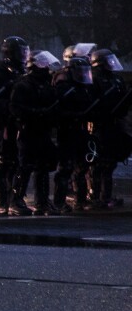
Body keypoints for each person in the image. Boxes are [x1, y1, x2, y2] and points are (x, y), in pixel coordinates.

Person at [9, 51, 61, 216]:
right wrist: (37, 113)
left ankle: (42, 201)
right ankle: (16, 200)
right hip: (28, 130)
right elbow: (15, 108)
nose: (46, 68)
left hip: (43, 131)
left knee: (43, 167)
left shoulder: (46, 84)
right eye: (43, 64)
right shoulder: (23, 84)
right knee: (25, 166)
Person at [0, 36, 29, 214]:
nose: (24, 55)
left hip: (21, 121)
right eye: (20, 51)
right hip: (5, 122)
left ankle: (15, 199)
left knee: (19, 162)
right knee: (3, 161)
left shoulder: (23, 71)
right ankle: (1, 200)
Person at [51, 55, 96, 212]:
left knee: (82, 167)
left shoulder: (84, 88)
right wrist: (72, 115)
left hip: (81, 131)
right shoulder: (64, 88)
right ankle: (59, 202)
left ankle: (81, 200)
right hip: (67, 131)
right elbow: (57, 110)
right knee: (65, 168)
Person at [88, 49, 131, 208]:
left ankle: (106, 196)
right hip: (99, 125)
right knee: (98, 162)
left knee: (110, 162)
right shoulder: (94, 79)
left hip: (114, 124)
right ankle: (94, 195)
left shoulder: (116, 79)